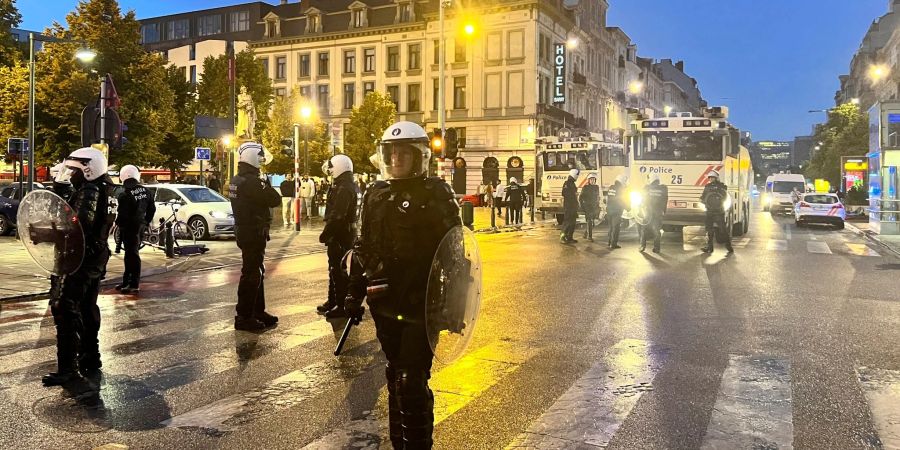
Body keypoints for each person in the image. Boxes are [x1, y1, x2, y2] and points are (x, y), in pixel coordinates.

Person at [345, 121, 461, 448]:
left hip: (423, 304)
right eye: (391, 151)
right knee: (396, 374)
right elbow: (364, 247)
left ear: (418, 156)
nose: (396, 157)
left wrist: (455, 303)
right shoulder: (375, 194)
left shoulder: (436, 193)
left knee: (411, 380)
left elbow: (456, 253)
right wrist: (353, 294)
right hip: (384, 301)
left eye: (403, 152)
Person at [43, 148, 114, 385]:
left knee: (64, 306)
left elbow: (78, 227)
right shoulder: (104, 187)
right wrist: (62, 189)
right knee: (86, 306)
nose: (70, 174)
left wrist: (45, 233)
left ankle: (68, 369)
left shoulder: (91, 190)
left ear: (88, 169)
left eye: (74, 169)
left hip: (81, 259)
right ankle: (89, 356)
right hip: (96, 256)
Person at [228, 142, 282, 331]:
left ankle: (256, 311)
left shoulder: (237, 179)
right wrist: (265, 183)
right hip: (253, 232)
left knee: (256, 271)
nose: (261, 159)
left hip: (244, 230)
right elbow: (275, 199)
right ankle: (244, 316)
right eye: (259, 156)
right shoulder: (253, 181)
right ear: (251, 157)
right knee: (251, 273)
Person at [317, 155, 360, 318]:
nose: (330, 170)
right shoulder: (345, 185)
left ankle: (341, 305)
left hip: (341, 234)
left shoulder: (344, 188)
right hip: (343, 233)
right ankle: (334, 300)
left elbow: (338, 214)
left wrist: (327, 233)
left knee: (339, 270)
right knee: (334, 268)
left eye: (332, 167)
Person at [115, 165, 155, 294]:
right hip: (140, 226)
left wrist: (118, 224)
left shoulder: (125, 194)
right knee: (131, 254)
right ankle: (127, 281)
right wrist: (146, 222)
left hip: (129, 227)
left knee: (131, 255)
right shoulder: (145, 191)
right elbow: (152, 209)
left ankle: (133, 284)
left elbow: (122, 215)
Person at [700, 170, 734, 254]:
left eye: (712, 178)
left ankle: (711, 247)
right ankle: (727, 246)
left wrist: (704, 202)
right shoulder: (722, 186)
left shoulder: (708, 187)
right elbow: (725, 197)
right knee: (718, 229)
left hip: (712, 211)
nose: (711, 179)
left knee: (712, 229)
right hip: (717, 210)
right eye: (710, 178)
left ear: (715, 178)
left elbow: (703, 198)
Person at [640, 173, 668, 253]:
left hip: (648, 213)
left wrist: (641, 209)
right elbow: (665, 201)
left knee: (644, 230)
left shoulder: (646, 188)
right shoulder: (663, 188)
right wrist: (663, 211)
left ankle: (642, 246)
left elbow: (643, 200)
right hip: (658, 213)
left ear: (651, 179)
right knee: (657, 231)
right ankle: (657, 248)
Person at [607, 175, 628, 249]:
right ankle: (613, 244)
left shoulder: (611, 187)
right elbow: (622, 201)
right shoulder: (620, 189)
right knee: (616, 228)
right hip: (616, 211)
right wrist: (628, 208)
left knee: (611, 227)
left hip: (609, 210)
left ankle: (609, 242)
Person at [579, 172, 600, 242]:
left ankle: (586, 233)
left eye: (594, 179)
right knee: (589, 221)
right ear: (588, 180)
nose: (593, 181)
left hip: (594, 207)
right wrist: (582, 206)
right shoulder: (585, 188)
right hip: (588, 207)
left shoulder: (596, 187)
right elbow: (580, 198)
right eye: (591, 179)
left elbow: (597, 197)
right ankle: (589, 237)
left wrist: (598, 205)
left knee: (593, 223)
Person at [561, 168, 579, 243]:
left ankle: (569, 237)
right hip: (569, 207)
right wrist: (573, 195)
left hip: (573, 207)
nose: (577, 177)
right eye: (577, 175)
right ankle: (562, 237)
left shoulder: (572, 183)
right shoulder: (567, 183)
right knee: (567, 222)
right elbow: (564, 193)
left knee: (572, 223)